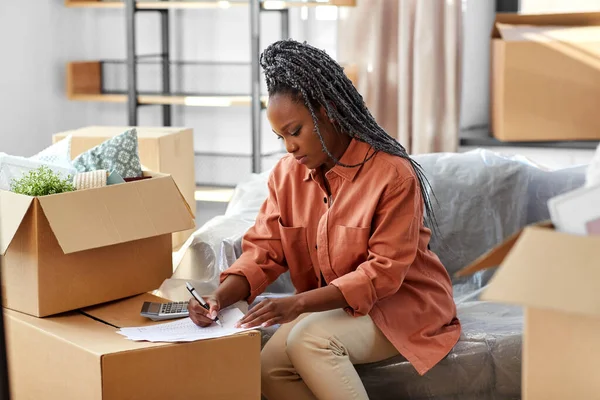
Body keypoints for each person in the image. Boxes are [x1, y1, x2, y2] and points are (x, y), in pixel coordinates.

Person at [188, 39, 461, 400]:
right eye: (281, 136)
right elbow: (263, 252)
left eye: (295, 131)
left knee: (309, 339)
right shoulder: (286, 176)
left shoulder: (393, 175)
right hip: (333, 309)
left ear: (329, 111)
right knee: (266, 367)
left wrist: (298, 304)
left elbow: (382, 274)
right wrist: (218, 298)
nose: (289, 147)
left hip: (402, 306)